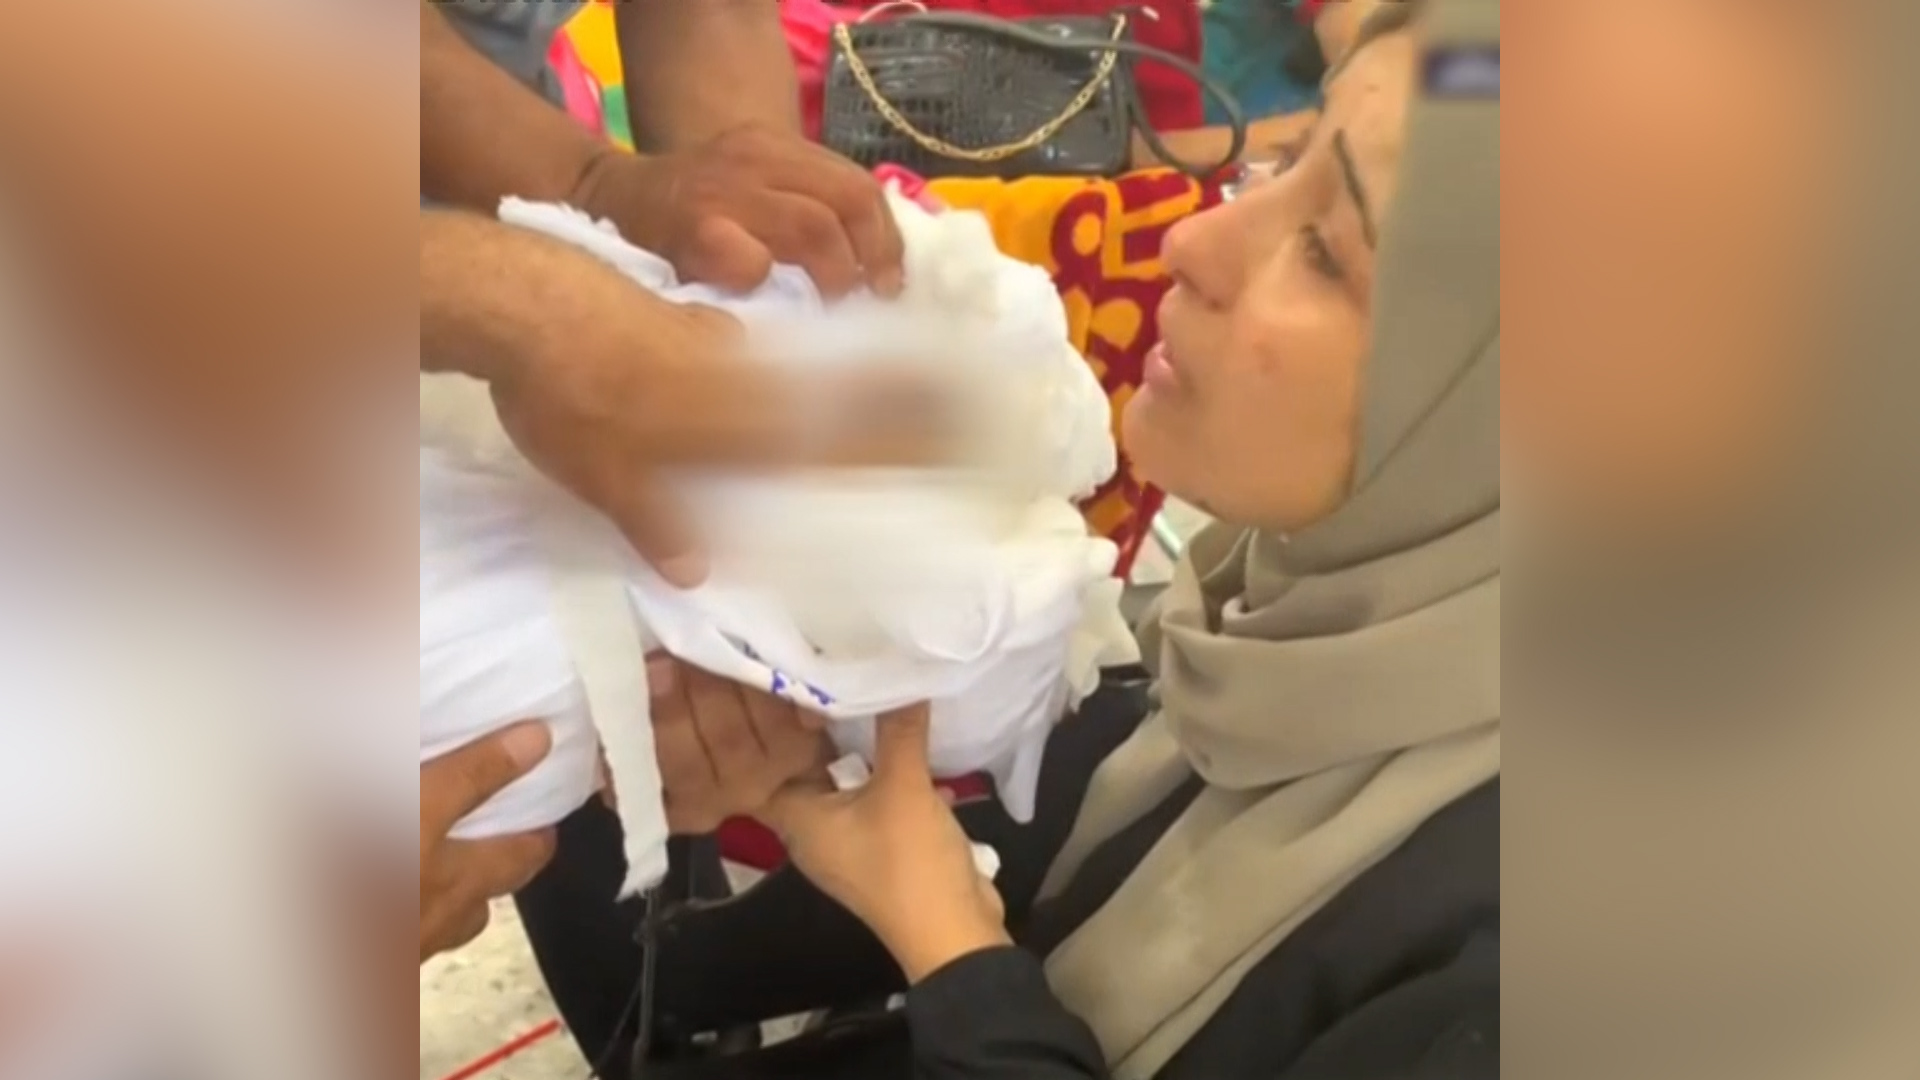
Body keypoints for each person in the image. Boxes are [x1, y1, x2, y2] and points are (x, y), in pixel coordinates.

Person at [514, 3, 1499, 1077]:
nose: (1191, 238)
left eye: (1324, 251)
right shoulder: (1313, 619)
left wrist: (947, 941)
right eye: (1287, 159)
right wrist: (821, 770)